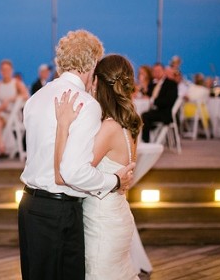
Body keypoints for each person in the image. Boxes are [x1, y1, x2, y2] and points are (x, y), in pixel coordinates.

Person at [18, 30, 135, 279]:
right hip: (60, 211)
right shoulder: (85, 104)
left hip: (30, 206)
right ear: (92, 63)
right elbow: (71, 172)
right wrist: (113, 181)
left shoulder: (35, 98)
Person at [54, 54, 143, 279]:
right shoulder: (131, 124)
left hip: (102, 223)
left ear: (99, 83)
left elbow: (68, 173)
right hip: (118, 214)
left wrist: (63, 126)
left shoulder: (109, 128)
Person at [0, 59, 29, 158]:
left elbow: (26, 95)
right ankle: (0, 144)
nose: (5, 72)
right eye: (3, 70)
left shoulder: (16, 83)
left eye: (7, 70)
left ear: (11, 70)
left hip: (14, 116)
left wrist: (11, 99)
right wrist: (1, 106)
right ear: (0, 71)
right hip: (1, 113)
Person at [141, 63, 179, 142]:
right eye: (154, 71)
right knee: (140, 115)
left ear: (164, 71)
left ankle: (145, 142)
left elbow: (168, 101)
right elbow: (148, 95)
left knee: (144, 116)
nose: (156, 72)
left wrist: (153, 101)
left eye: (159, 70)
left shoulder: (171, 84)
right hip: (154, 111)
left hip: (164, 113)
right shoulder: (152, 83)